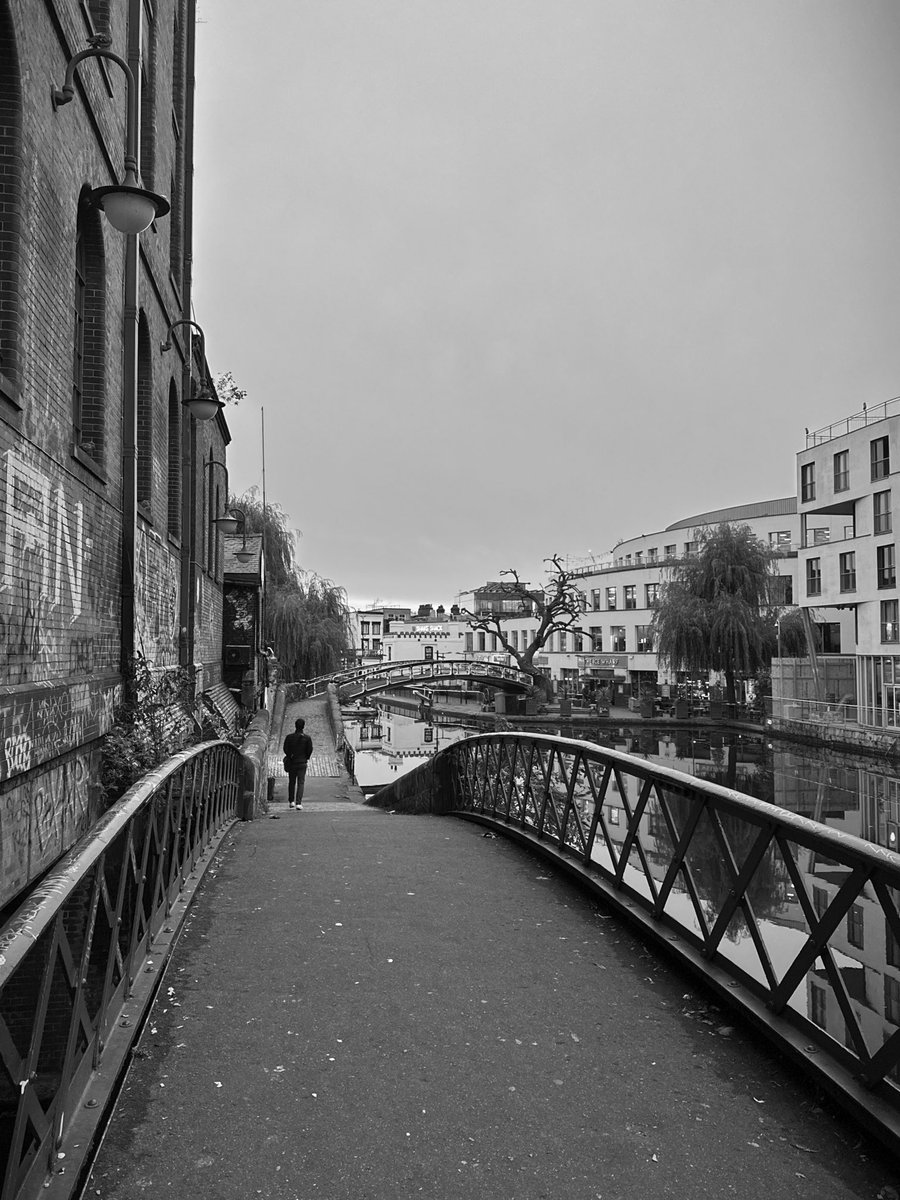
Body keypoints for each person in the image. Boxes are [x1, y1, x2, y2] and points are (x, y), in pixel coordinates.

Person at [283, 717, 313, 810]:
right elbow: (309, 750)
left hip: (292, 762)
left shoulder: (289, 737)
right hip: (302, 762)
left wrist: (289, 756)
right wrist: (306, 757)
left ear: (295, 726)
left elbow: (285, 749)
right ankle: (298, 803)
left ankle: (291, 801)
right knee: (301, 783)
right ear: (303, 726)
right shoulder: (307, 738)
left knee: (291, 782)